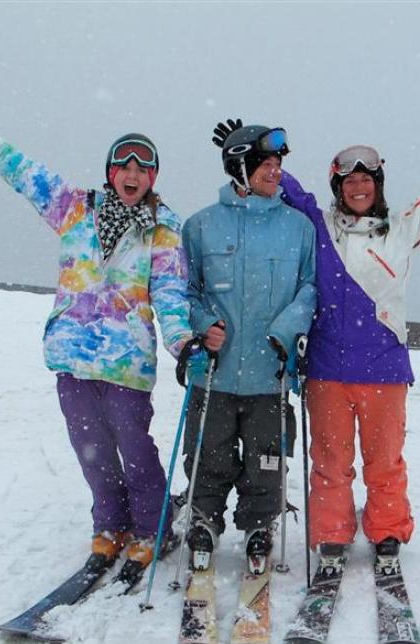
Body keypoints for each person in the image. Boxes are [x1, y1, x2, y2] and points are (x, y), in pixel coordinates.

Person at [0, 106, 198, 572]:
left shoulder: (163, 229)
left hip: (127, 363)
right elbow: (24, 173)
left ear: (152, 177)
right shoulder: (74, 208)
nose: (132, 174)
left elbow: (169, 293)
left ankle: (151, 527)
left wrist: (182, 342)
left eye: (141, 168)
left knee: (137, 450)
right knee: (93, 454)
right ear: (110, 172)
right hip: (72, 357)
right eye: (123, 165)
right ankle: (109, 525)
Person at [280, 146, 420, 573]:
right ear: (338, 186)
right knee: (331, 461)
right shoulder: (320, 228)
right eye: (349, 180)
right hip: (327, 369)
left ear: (378, 185)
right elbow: (291, 193)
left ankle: (387, 530)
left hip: (384, 370)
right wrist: (263, 154)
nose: (358, 186)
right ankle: (332, 533)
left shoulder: (400, 232)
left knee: (384, 460)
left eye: (366, 179)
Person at [181, 119, 317, 573]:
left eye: (278, 163)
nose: (275, 171)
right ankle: (203, 519)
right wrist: (203, 327)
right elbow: (188, 291)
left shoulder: (298, 228)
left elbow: (308, 288)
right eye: (266, 163)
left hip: (270, 375)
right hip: (215, 373)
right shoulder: (199, 226)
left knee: (268, 458)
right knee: (209, 453)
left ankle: (261, 524)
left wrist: (286, 332)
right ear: (240, 167)